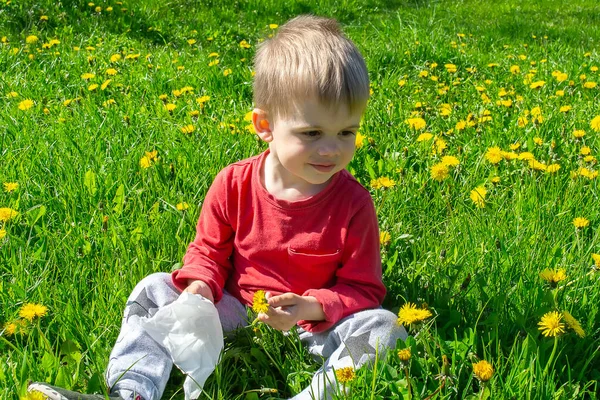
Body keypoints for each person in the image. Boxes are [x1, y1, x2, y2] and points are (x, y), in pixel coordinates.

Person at [28, 14, 407, 400]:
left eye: (347, 132)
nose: (332, 149)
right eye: (312, 133)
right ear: (264, 125)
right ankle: (132, 390)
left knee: (383, 328)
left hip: (312, 326)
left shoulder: (353, 204)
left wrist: (310, 307)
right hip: (232, 310)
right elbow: (208, 252)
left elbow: (363, 288)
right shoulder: (234, 184)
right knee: (154, 289)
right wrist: (199, 286)